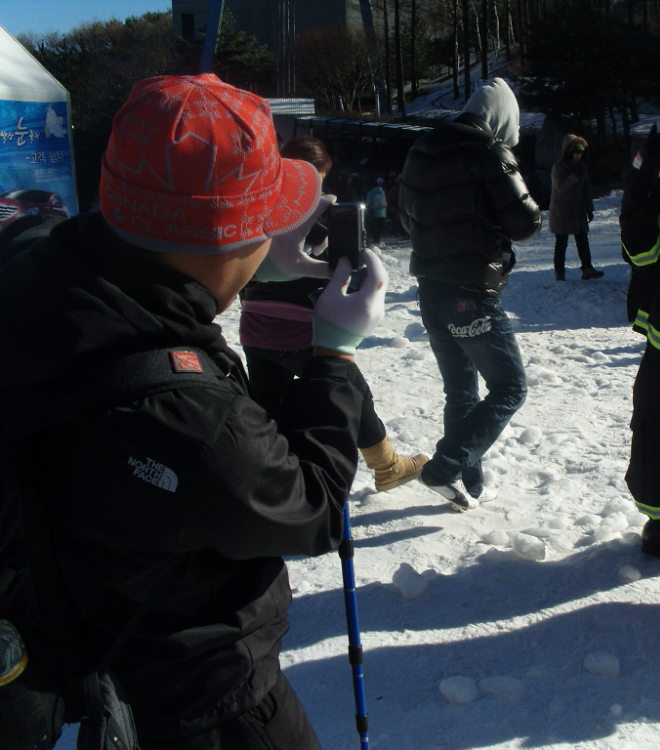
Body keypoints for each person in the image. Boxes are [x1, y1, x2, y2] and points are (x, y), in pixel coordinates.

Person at [0, 73, 388, 749]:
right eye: (264, 225)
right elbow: (309, 507)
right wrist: (336, 357)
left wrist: (240, 265)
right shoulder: (197, 422)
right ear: (230, 242)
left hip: (73, 642)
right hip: (204, 700)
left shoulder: (35, 266)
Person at [240, 137, 427, 492]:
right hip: (304, 332)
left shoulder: (256, 209)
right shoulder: (323, 217)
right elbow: (344, 268)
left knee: (266, 405)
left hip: (254, 329)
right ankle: (387, 466)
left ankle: (264, 475)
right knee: (351, 392)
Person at [398, 77, 541, 510]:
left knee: (461, 393)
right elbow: (526, 224)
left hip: (431, 289)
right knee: (509, 387)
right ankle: (445, 467)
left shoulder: (422, 147)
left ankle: (467, 485)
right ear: (501, 119)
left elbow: (407, 216)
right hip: (471, 293)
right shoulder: (490, 152)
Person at [548, 134, 602, 281]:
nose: (578, 156)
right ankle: (559, 272)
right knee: (561, 243)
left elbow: (586, 190)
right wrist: (575, 175)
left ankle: (587, 269)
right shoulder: (558, 167)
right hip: (562, 211)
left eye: (581, 153)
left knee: (583, 241)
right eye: (576, 152)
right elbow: (561, 187)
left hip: (578, 210)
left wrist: (589, 208)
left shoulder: (581, 167)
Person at [365, 177, 388, 245]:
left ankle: (376, 239)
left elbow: (368, 202)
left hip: (374, 212)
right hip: (383, 212)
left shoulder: (371, 192)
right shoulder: (383, 191)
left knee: (375, 226)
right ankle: (378, 238)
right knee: (380, 226)